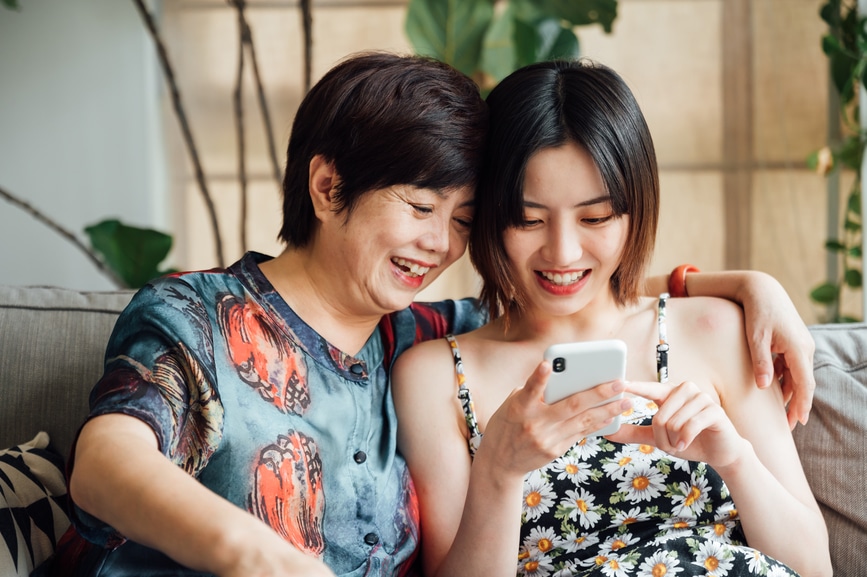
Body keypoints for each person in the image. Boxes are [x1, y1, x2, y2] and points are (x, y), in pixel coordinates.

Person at [34, 52, 816, 577]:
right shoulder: (196, 315)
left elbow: (567, 298)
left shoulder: (409, 330)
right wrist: (256, 555)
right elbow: (106, 465)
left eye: (461, 217)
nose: (440, 244)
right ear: (327, 188)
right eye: (417, 208)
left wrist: (733, 285)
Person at [392, 59, 832, 577]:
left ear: (635, 209)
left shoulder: (716, 329)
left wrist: (734, 459)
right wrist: (499, 471)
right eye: (528, 219)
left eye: (595, 218)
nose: (563, 251)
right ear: (489, 215)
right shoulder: (435, 377)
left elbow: (815, 568)